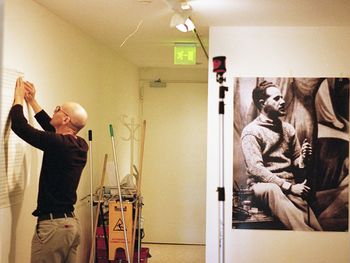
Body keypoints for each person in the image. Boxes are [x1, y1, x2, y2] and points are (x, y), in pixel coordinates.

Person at [10, 77, 89, 262]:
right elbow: (53, 129)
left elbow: (20, 126)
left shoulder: (59, 144)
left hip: (53, 228)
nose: (54, 110)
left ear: (66, 118)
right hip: (70, 226)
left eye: (57, 109)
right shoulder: (80, 145)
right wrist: (33, 101)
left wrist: (19, 98)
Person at [241, 80, 322, 231]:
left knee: (316, 227)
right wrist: (289, 187)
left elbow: (297, 162)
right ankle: (306, 236)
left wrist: (302, 158)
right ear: (262, 103)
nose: (283, 101)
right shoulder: (251, 131)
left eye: (282, 97)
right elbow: (255, 169)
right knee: (273, 189)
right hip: (262, 187)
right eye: (277, 98)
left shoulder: (288, 129)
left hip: (288, 186)